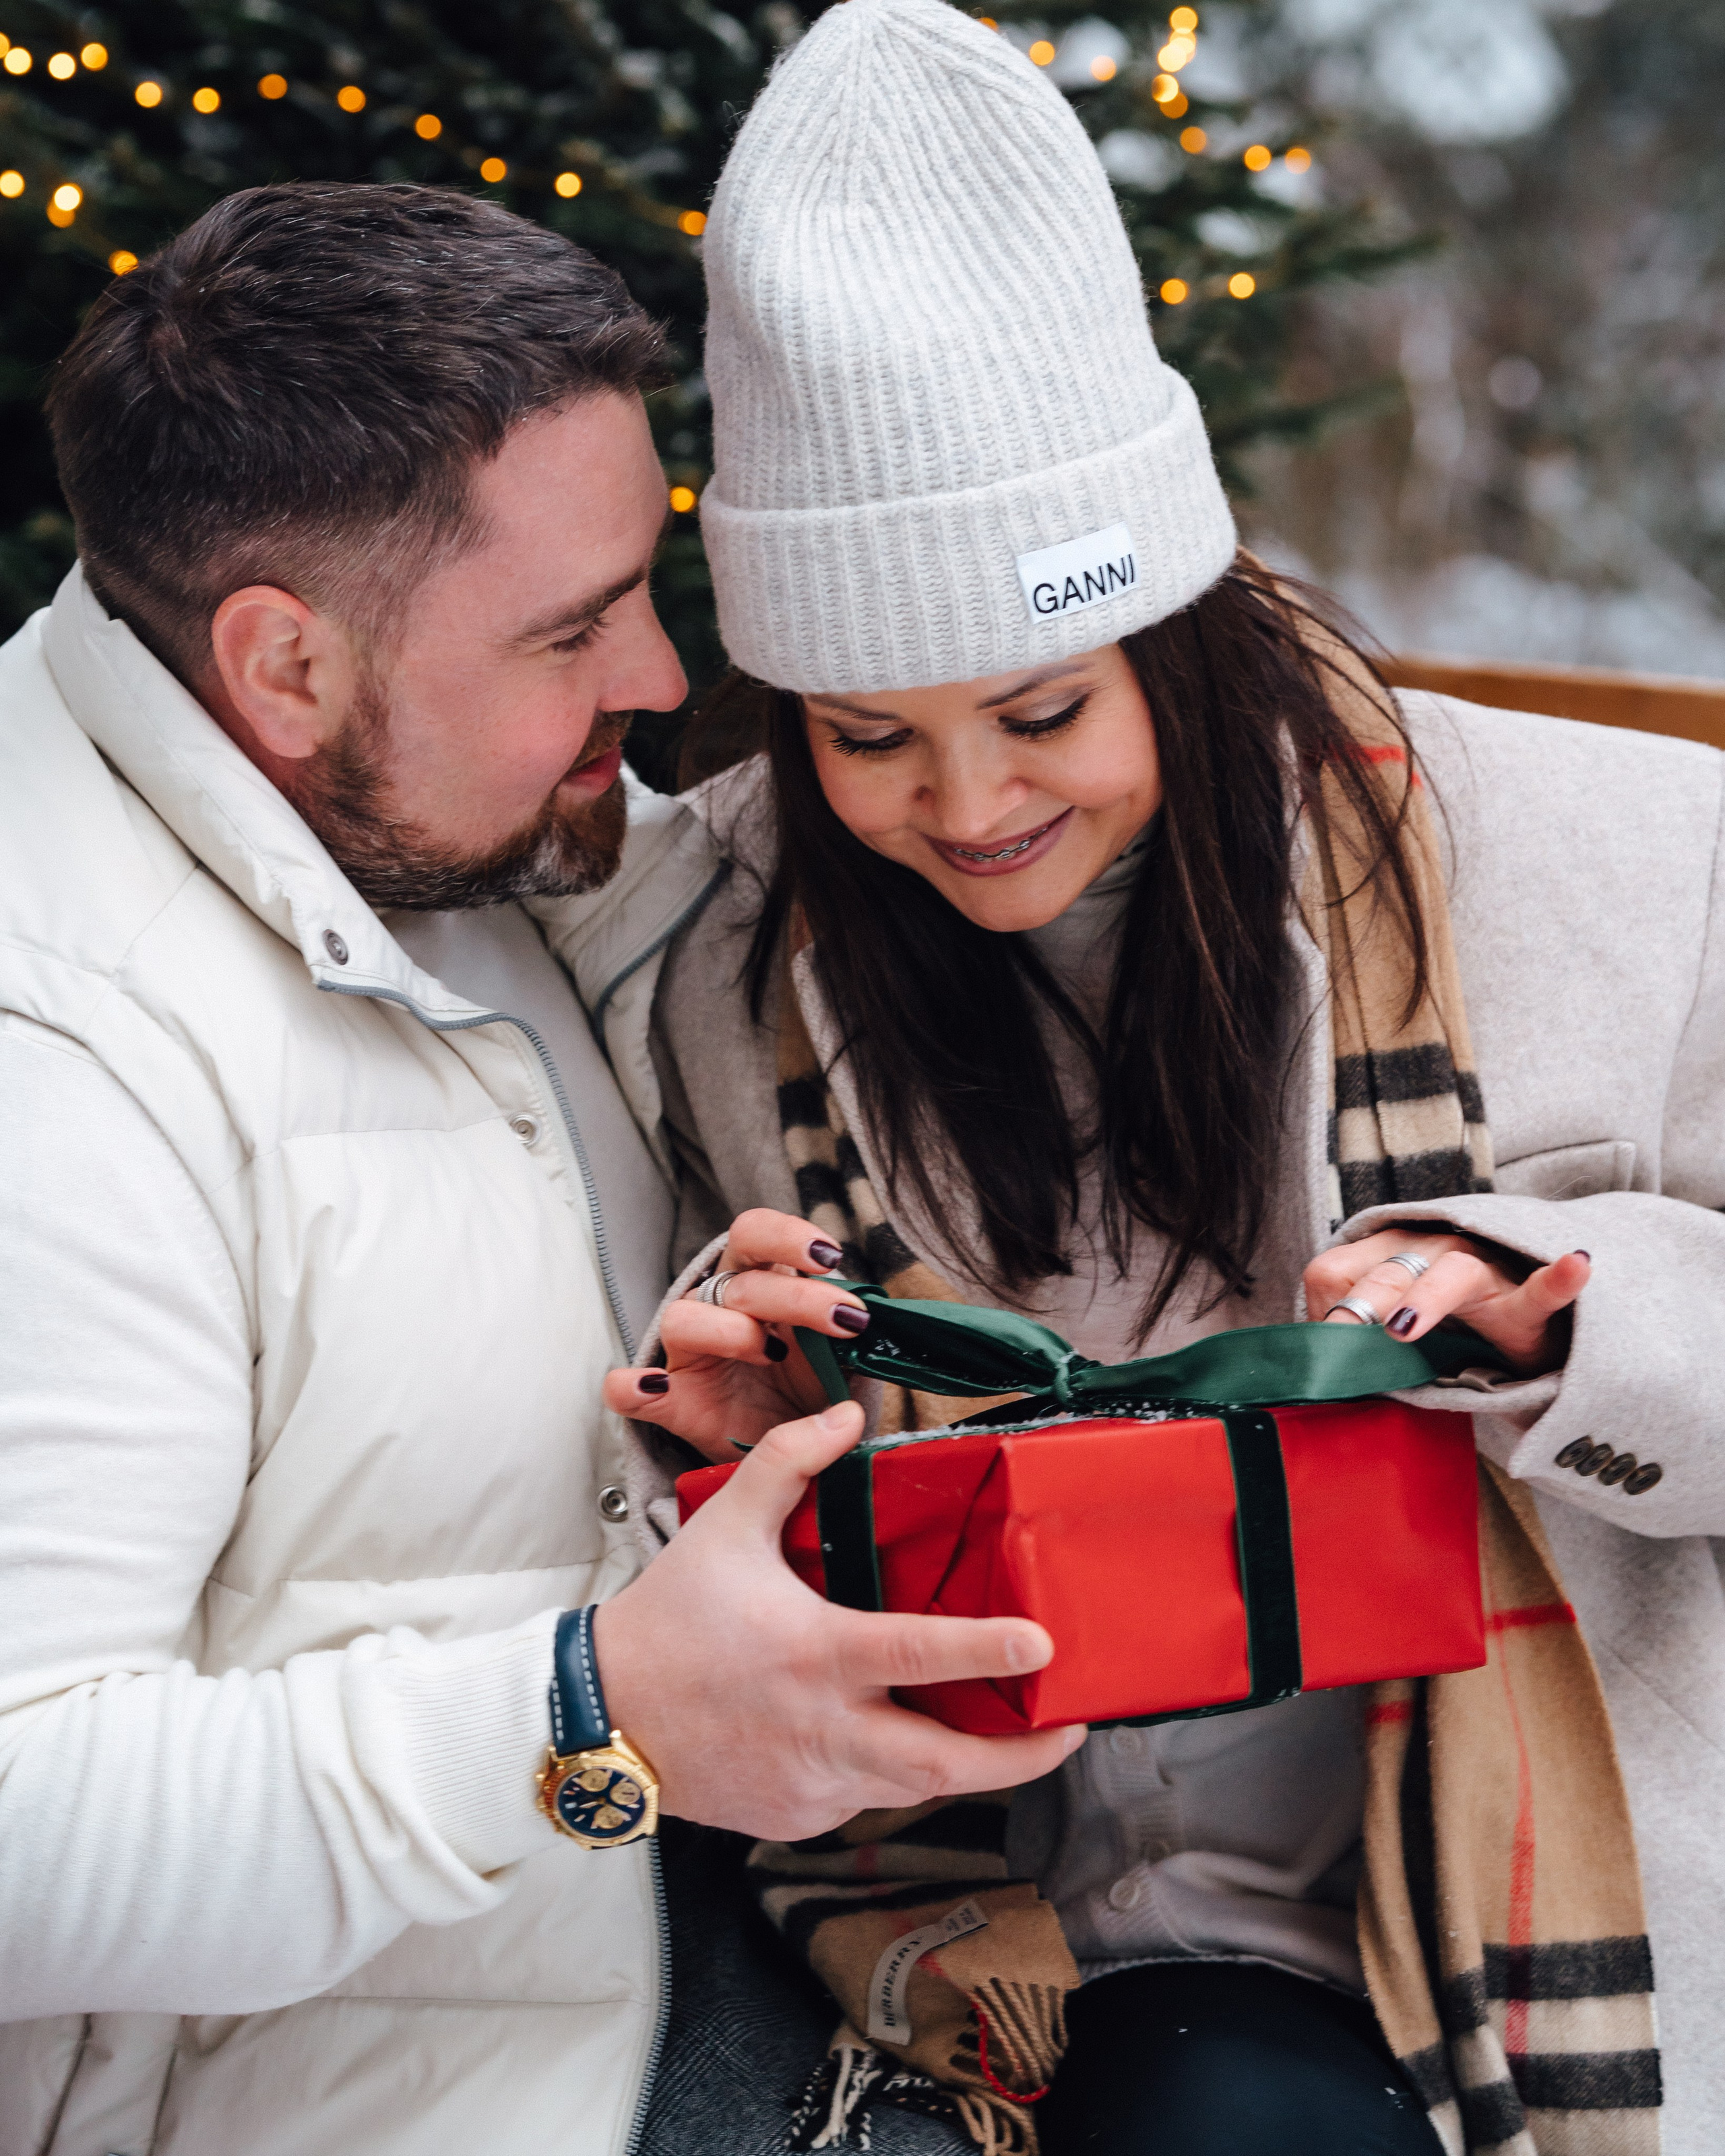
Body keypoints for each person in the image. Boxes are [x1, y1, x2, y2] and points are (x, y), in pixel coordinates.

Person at [611, 3, 1725, 2151]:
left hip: (1516, 1907)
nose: (964, 804)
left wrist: (1573, 1312)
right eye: (869, 735)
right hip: (1030, 1911)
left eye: (1040, 708)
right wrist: (750, 1437)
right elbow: (708, 1482)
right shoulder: (731, 957)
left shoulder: (1625, 860)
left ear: (1175, 634)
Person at [0, 182, 1088, 2156]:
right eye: (577, 628)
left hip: (663, 1960)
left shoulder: (452, 839)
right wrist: (593, 1716)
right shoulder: (53, 1060)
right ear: (284, 667)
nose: (662, 681)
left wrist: (683, 1454)